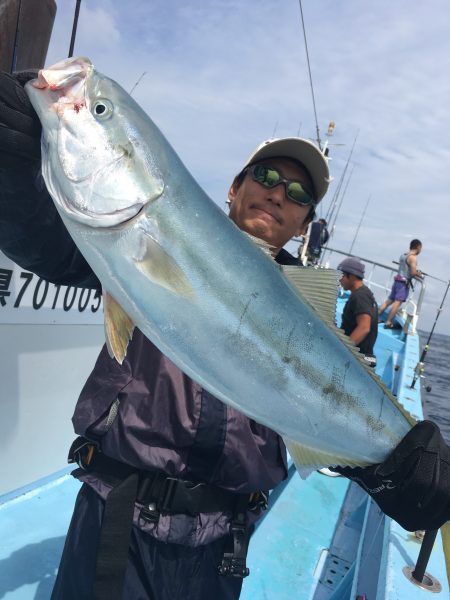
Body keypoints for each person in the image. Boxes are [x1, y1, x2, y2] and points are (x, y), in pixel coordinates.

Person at [1, 71, 450, 600]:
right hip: (116, 523)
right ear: (235, 187)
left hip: (224, 548)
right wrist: (11, 166)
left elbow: (320, 410)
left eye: (299, 193)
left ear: (304, 223)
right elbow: (42, 239)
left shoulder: (309, 308)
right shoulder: (134, 237)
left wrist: (391, 468)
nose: (279, 193)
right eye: (265, 175)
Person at [337, 257, 378, 367]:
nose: (339, 280)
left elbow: (364, 327)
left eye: (341, 276)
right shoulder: (363, 294)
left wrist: (342, 354)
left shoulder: (360, 296)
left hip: (357, 361)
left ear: (351, 276)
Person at [379, 239, 424, 329]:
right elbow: (413, 273)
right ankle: (388, 322)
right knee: (397, 303)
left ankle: (375, 316)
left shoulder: (403, 255)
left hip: (397, 281)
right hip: (403, 284)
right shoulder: (413, 258)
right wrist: (419, 274)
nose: (421, 250)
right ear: (418, 247)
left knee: (389, 301)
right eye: (421, 248)